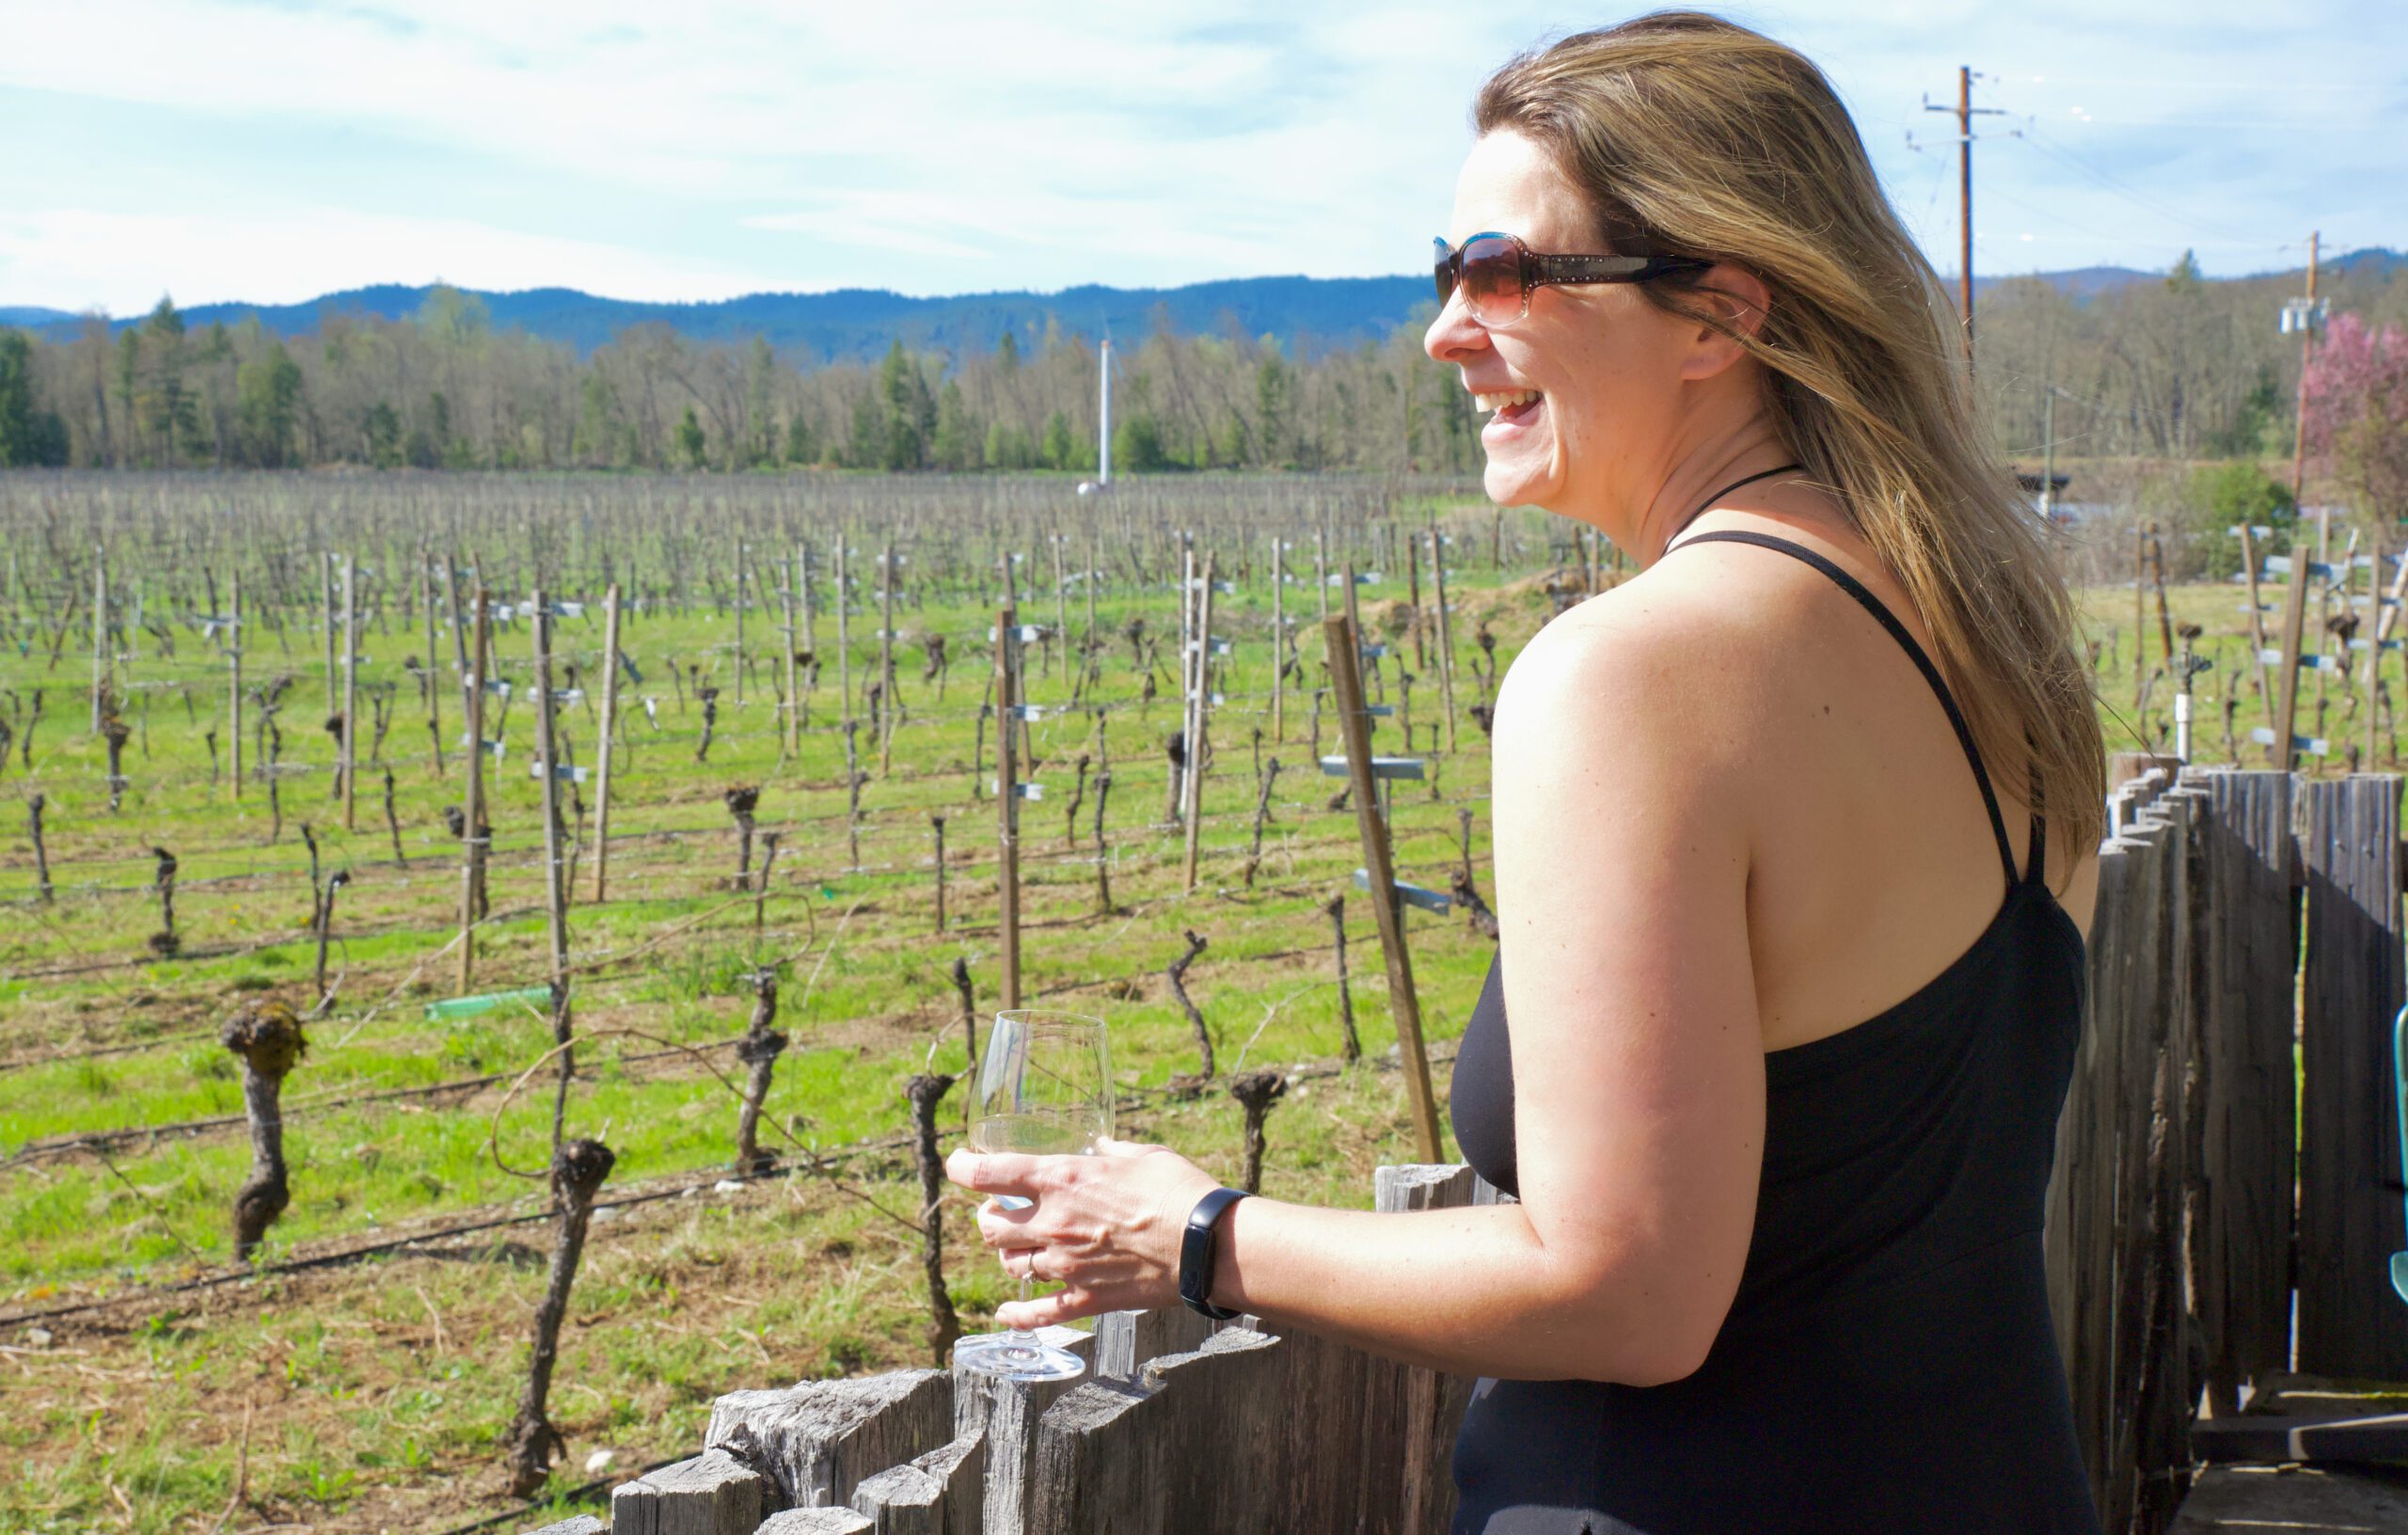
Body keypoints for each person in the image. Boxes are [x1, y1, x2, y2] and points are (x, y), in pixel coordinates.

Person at [946, 12, 2108, 1531]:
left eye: (1502, 273)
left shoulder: (1631, 673)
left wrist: (1193, 1232)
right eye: (1447, 271)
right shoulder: (1999, 646)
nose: (1445, 329)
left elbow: (1626, 1291)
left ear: (1717, 316)